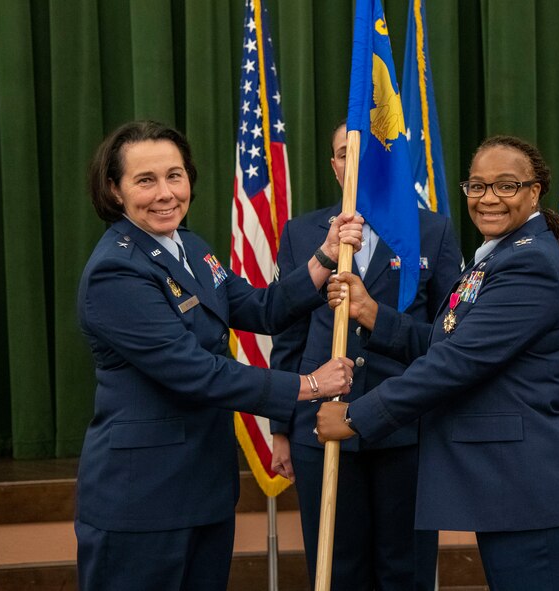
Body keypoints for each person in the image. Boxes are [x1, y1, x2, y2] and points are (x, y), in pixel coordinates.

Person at [74, 120, 362, 591]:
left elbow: (261, 308)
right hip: (142, 499)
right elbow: (197, 373)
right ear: (114, 189)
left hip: (203, 488)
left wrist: (325, 256)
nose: (165, 193)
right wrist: (310, 386)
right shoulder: (116, 271)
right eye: (145, 181)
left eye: (175, 175)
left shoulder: (188, 246)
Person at [317, 135, 559, 590]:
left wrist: (355, 416)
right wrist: (372, 314)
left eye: (506, 186)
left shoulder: (526, 264)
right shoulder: (500, 256)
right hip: (513, 491)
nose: (488, 198)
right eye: (477, 186)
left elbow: (454, 364)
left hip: (533, 494)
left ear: (535, 192)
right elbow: (449, 342)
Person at [269, 121, 463, 590]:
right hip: (322, 430)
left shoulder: (431, 231)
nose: (354, 163)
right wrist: (280, 429)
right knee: (337, 569)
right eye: (343, 154)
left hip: (405, 427)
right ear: (335, 167)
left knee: (405, 568)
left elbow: (451, 336)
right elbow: (287, 336)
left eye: (370, 154)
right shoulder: (302, 234)